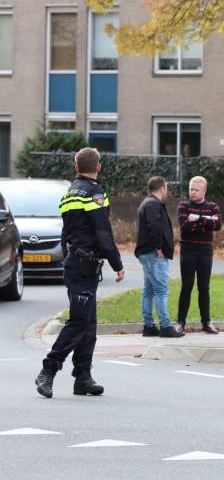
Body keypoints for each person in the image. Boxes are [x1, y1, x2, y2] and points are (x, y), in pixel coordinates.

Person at [36, 147, 125, 399]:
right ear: (99, 167)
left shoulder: (69, 193)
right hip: (84, 265)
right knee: (79, 321)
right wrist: (117, 263)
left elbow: (66, 232)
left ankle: (83, 377)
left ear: (77, 167)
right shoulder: (94, 193)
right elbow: (102, 231)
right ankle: (48, 369)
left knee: (89, 322)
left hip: (77, 264)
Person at [135, 176, 183, 338]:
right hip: (153, 254)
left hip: (147, 253)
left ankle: (149, 326)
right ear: (162, 189)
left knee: (149, 290)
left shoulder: (148, 203)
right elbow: (155, 226)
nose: (167, 191)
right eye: (166, 188)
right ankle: (165, 326)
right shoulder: (153, 205)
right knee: (161, 290)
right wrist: (159, 247)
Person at [175, 176, 222, 334]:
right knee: (186, 287)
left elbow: (218, 225)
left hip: (205, 252)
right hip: (188, 251)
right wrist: (207, 222)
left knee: (204, 287)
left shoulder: (212, 206)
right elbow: (185, 226)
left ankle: (206, 322)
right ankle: (180, 322)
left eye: (196, 190)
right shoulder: (183, 206)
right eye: (191, 189)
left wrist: (198, 219)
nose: (192, 192)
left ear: (204, 190)